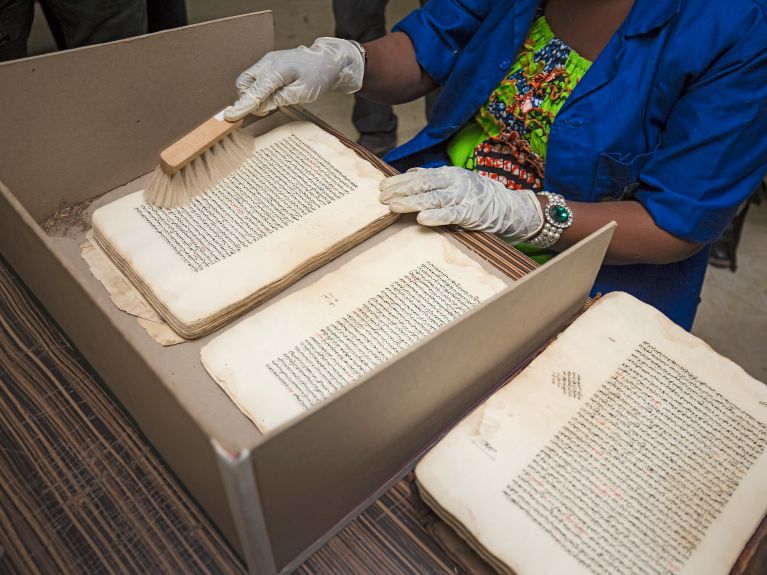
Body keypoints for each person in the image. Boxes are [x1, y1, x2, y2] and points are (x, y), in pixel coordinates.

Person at [224, 0, 767, 330]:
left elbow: (673, 223)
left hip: (589, 266)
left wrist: (523, 214)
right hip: (439, 198)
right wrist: (345, 63)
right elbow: (428, 46)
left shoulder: (739, 27)